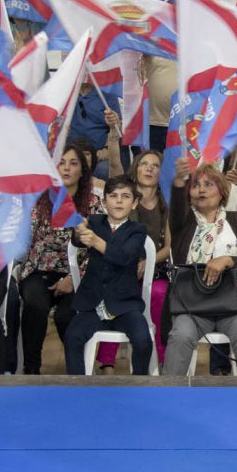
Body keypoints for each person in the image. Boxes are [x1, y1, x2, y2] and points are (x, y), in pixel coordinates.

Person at [162, 160, 237, 376]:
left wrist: (227, 260)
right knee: (180, 335)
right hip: (192, 302)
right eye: (196, 185)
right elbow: (177, 208)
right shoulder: (184, 222)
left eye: (209, 184)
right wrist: (179, 181)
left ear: (222, 192)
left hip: (236, 299)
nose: (201, 190)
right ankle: (167, 397)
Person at [18, 143, 102, 374]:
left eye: (73, 163)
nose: (66, 168)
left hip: (77, 275)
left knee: (68, 315)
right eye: (61, 163)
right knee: (35, 305)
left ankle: (78, 372)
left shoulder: (94, 204)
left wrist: (74, 278)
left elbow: (97, 248)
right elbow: (27, 242)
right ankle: (31, 370)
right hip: (39, 270)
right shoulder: (39, 199)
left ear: (82, 171)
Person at [63, 176, 154, 376]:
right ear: (104, 202)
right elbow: (78, 241)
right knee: (72, 336)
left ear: (134, 203)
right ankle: (77, 387)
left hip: (125, 305)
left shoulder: (138, 231)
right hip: (92, 304)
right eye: (113, 196)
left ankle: (140, 384)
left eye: (125, 196)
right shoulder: (95, 222)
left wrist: (97, 242)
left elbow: (124, 257)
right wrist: (79, 231)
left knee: (143, 341)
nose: (119, 201)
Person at [95, 150, 172, 372]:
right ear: (135, 169)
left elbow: (169, 247)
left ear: (161, 172)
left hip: (156, 268)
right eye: (144, 164)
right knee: (117, 289)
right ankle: (107, 360)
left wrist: (147, 263)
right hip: (121, 267)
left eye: (155, 165)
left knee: (159, 293)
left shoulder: (167, 205)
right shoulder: (123, 198)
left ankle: (159, 356)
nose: (149, 169)